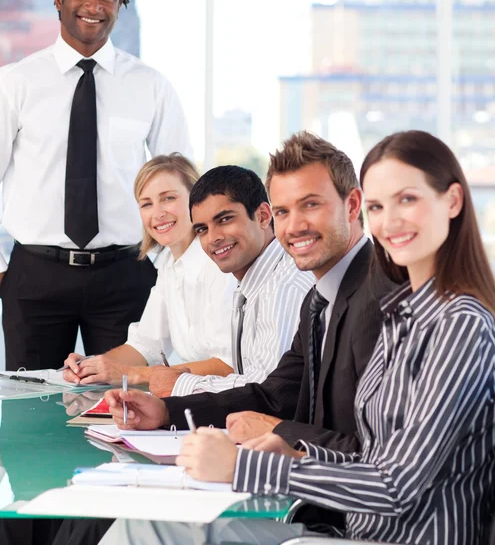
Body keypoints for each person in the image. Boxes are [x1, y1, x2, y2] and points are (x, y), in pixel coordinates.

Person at [175, 130, 495, 545]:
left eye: (408, 200)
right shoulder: (404, 314)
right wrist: (293, 450)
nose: (390, 221)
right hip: (351, 532)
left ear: (452, 201)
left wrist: (243, 466)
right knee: (152, 526)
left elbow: (396, 485)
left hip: (398, 539)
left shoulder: (460, 324)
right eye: (380, 206)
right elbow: (373, 453)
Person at [105, 133, 394, 536]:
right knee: (145, 521)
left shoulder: (386, 302)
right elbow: (274, 394)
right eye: (284, 211)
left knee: (149, 526)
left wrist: (269, 439)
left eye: (310, 205)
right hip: (320, 510)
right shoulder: (320, 298)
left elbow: (383, 463)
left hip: (359, 527)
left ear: (353, 205)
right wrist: (165, 413)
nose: (293, 226)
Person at [0, 0, 192, 372]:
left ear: (120, 5)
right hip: (36, 276)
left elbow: (183, 186)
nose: (94, 5)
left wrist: (161, 265)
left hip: (127, 275)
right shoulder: (15, 83)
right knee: (31, 419)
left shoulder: (151, 86)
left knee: (126, 412)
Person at [61, 153, 236, 388]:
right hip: (197, 396)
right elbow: (146, 345)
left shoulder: (219, 265)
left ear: (196, 200)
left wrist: (132, 374)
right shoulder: (168, 265)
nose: (158, 213)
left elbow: (228, 365)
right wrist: (92, 366)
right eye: (146, 204)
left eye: (168, 198)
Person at [145, 165, 315, 398]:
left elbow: (267, 391)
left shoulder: (283, 287)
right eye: (202, 229)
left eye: (225, 219)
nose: (213, 238)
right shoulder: (250, 284)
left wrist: (181, 385)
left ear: (263, 216)